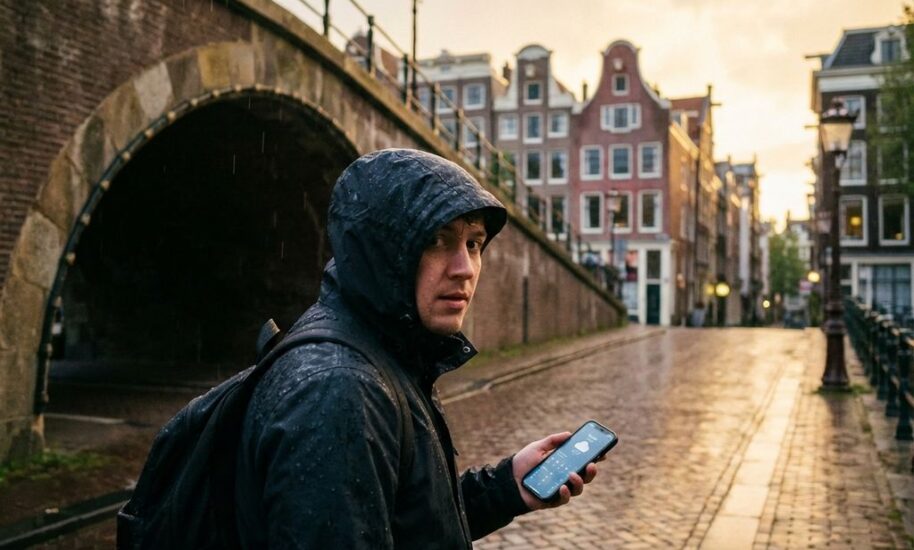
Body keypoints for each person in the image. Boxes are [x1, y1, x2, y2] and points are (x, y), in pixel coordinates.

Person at [234, 149, 602, 548]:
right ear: (383, 251)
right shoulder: (340, 391)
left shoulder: (388, 351)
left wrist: (505, 487)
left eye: (474, 243)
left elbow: (405, 520)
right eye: (436, 240)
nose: (465, 268)